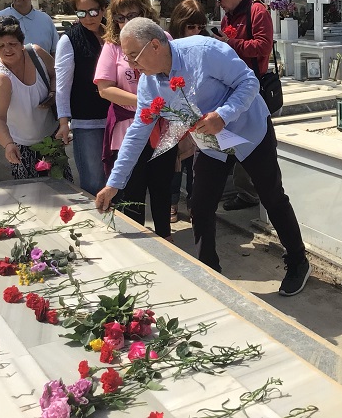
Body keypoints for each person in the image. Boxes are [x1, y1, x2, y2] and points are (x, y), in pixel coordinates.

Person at [94, 18, 311, 296]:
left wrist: (223, 115)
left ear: (156, 45)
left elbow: (248, 82)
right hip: (210, 143)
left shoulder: (204, 51)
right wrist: (114, 183)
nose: (133, 66)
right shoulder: (149, 83)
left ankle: (297, 260)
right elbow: (138, 132)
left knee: (271, 196)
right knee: (201, 204)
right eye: (128, 58)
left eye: (134, 56)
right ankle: (209, 270)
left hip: (248, 130)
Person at [93, 0, 177, 238]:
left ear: (145, 13)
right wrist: (145, 102)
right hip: (128, 127)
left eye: (132, 15)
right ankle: (139, 244)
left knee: (162, 189)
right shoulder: (113, 46)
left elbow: (176, 78)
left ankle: (166, 239)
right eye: (120, 18)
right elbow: (104, 89)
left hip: (161, 128)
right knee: (132, 193)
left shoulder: (163, 39)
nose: (125, 22)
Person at [211, 0, 273, 211]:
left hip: (252, 86)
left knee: (250, 139)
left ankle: (251, 193)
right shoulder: (229, 16)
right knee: (232, 138)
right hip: (231, 87)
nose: (218, 3)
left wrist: (230, 44)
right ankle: (241, 189)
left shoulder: (257, 12)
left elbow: (263, 46)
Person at [0, 16, 72, 181]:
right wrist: (8, 144)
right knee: (31, 191)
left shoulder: (36, 53)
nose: (7, 50)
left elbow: (57, 75)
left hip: (51, 138)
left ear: (22, 43)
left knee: (64, 185)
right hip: (22, 145)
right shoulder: (1, 79)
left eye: (12, 44)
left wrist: (52, 92)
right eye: (1, 46)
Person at [54, 0, 110, 195]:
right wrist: (63, 122)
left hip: (116, 119)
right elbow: (62, 85)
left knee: (117, 179)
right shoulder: (69, 40)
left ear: (103, 9)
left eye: (93, 11)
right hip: (87, 122)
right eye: (81, 13)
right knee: (94, 181)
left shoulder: (113, 35)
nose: (88, 18)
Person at [166, 0, 208, 223]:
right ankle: (172, 203)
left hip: (200, 111)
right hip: (175, 113)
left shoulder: (206, 46)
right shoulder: (169, 47)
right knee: (175, 161)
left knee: (196, 165)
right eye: (191, 26)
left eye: (200, 26)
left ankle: (195, 204)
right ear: (179, 24)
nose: (196, 31)